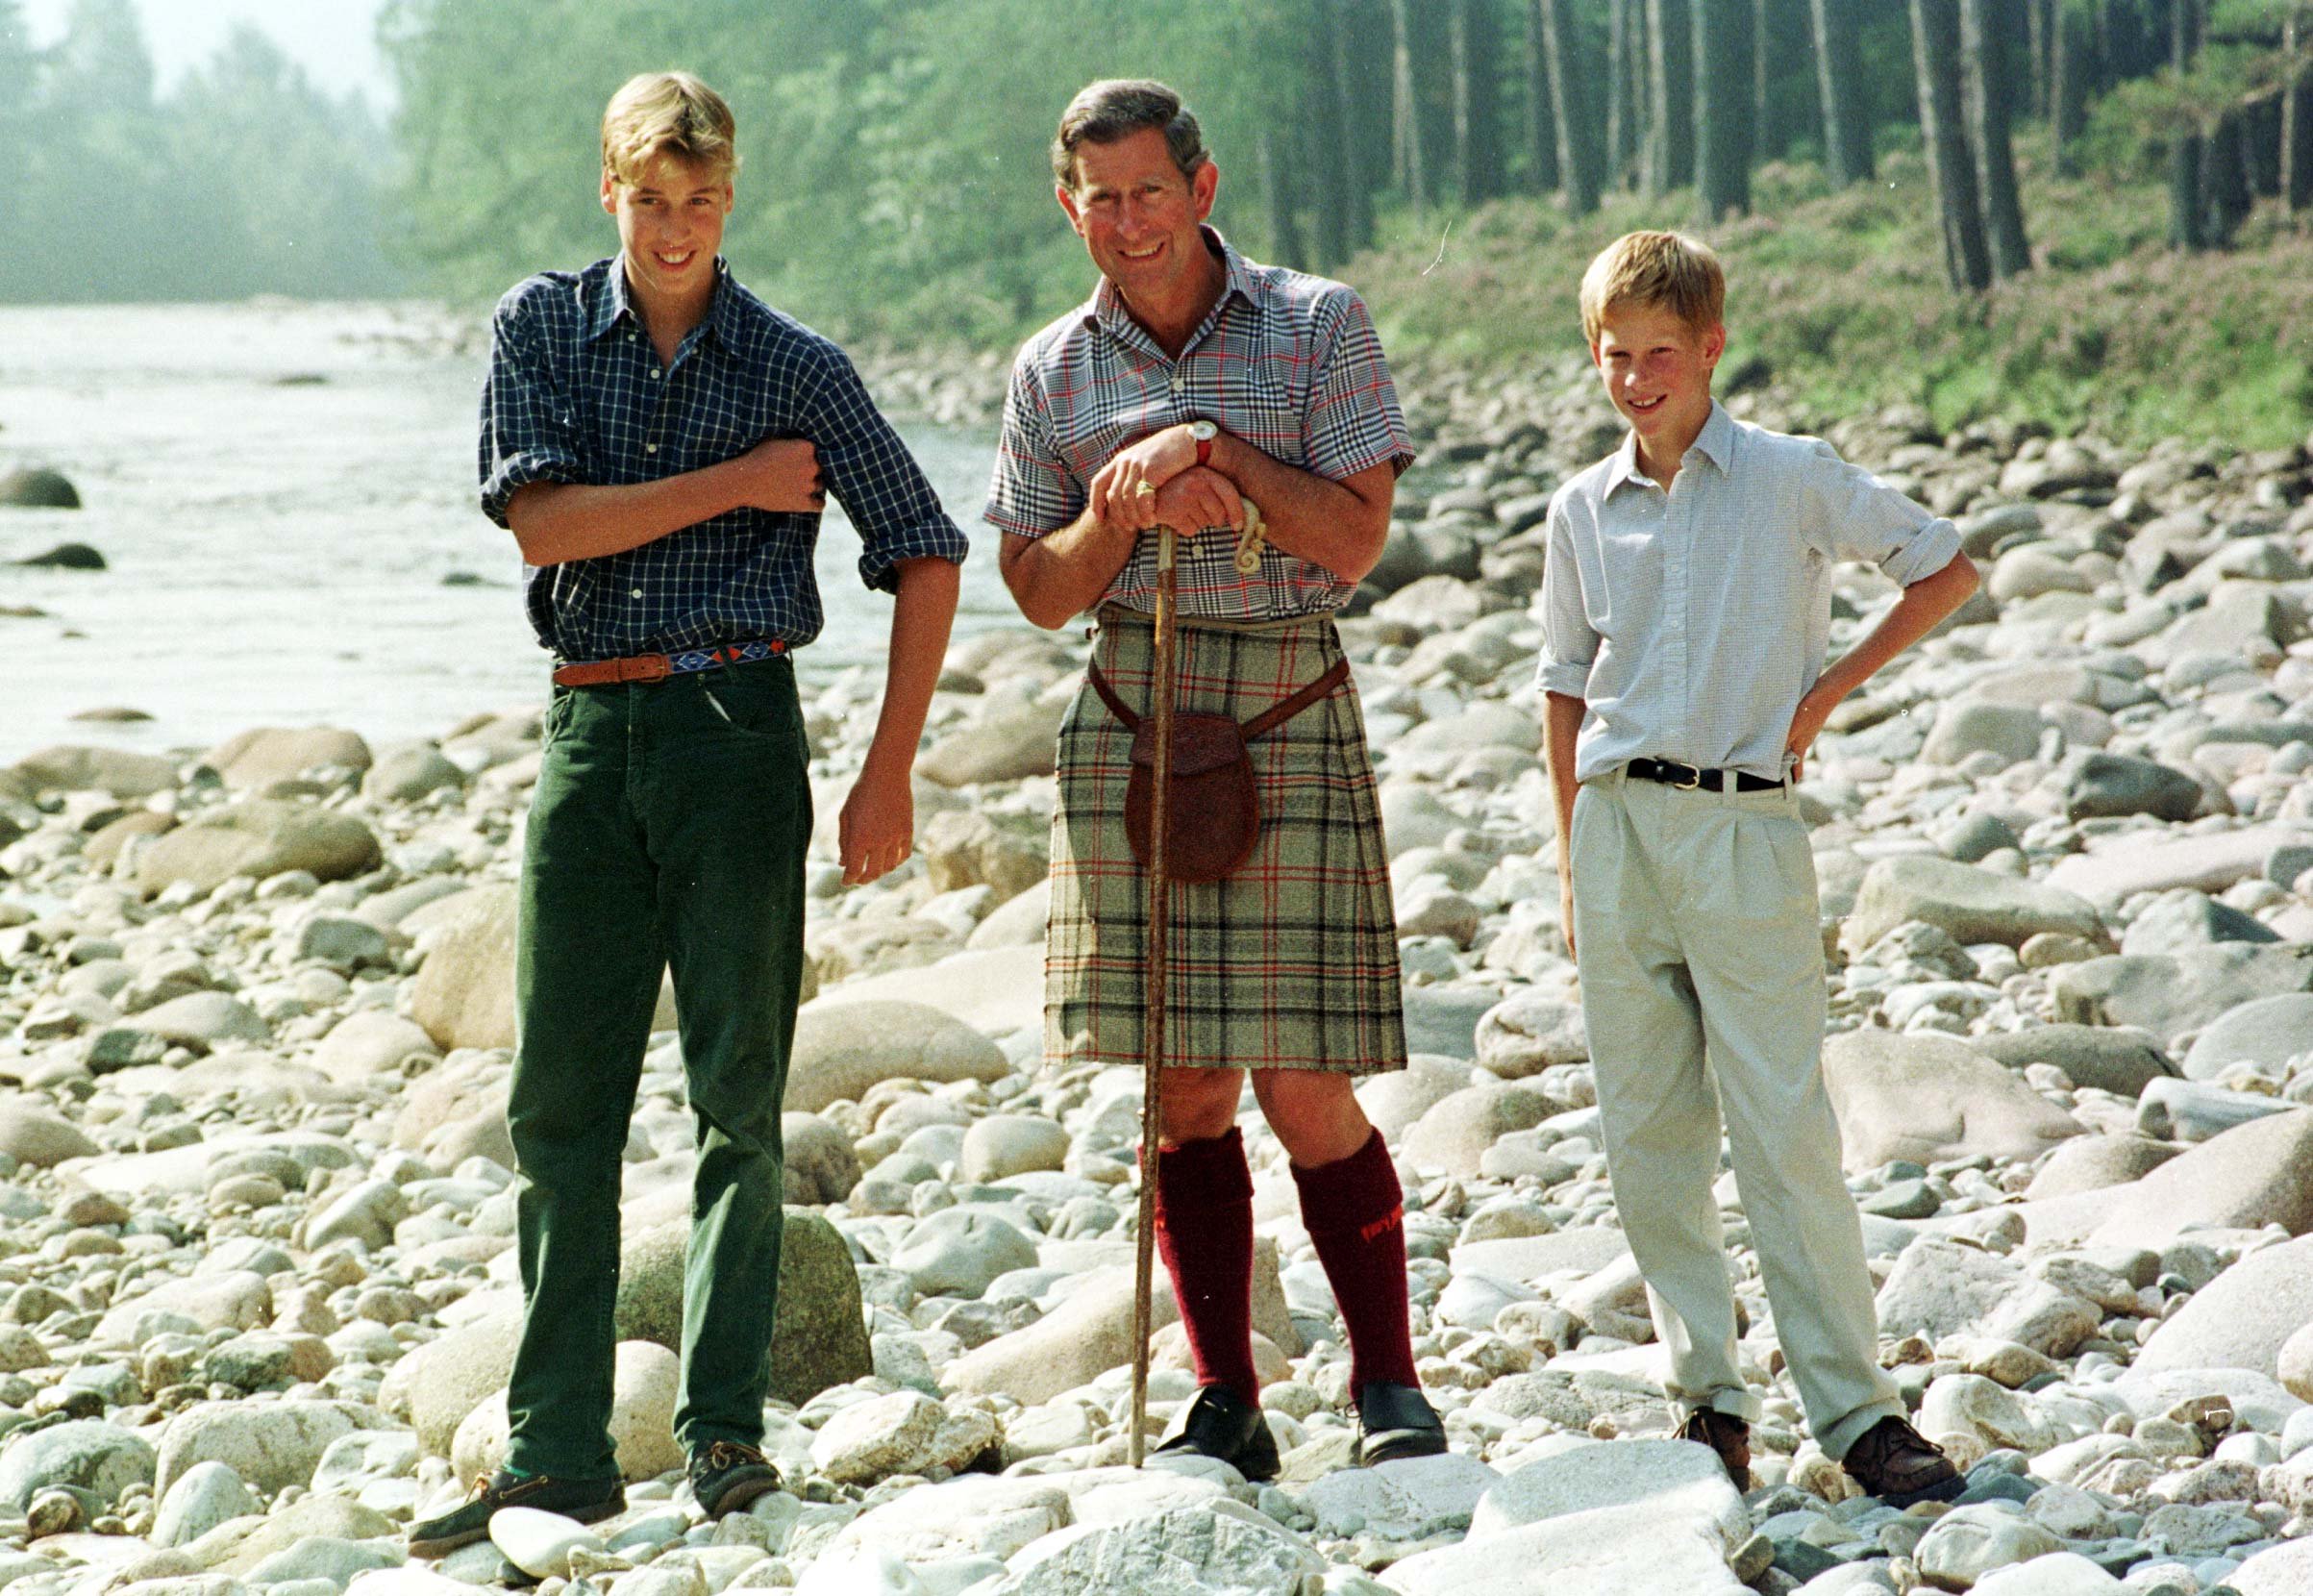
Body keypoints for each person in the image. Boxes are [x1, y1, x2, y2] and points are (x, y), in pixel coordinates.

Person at [409, 71, 965, 1559]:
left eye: (702, 202)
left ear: (733, 202)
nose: (676, 228)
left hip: (737, 733)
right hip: (590, 732)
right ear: (611, 190)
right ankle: (555, 1454)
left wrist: (889, 765)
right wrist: (739, 487)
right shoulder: (539, 327)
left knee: (737, 1103)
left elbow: (923, 549)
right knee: (559, 1111)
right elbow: (542, 521)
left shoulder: (794, 360)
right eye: (651, 200)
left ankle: (726, 1438)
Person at [987, 79, 1443, 1480]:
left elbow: (1355, 543)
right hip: (1135, 709)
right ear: (1068, 207)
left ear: (1202, 186)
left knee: (1303, 1078)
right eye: (1096, 199)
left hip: (1286, 695)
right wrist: (1119, 511)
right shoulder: (1049, 372)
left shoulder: (1319, 324)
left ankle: (1385, 1387)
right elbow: (1037, 592)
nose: (1124, 224)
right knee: (1182, 1087)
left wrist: (1222, 457)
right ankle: (1223, 1400)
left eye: (1147, 192)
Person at [1537, 231, 1981, 1504]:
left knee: (1784, 1126)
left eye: (1657, 355)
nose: (1633, 381)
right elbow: (1563, 687)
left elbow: (1942, 568)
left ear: (1711, 347)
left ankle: (1855, 1413)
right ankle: (1706, 1405)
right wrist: (1569, 859)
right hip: (1616, 830)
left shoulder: (1789, 477)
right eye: (1613, 357)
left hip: (1743, 829)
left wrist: (1824, 693)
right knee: (1646, 1133)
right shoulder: (1580, 508)